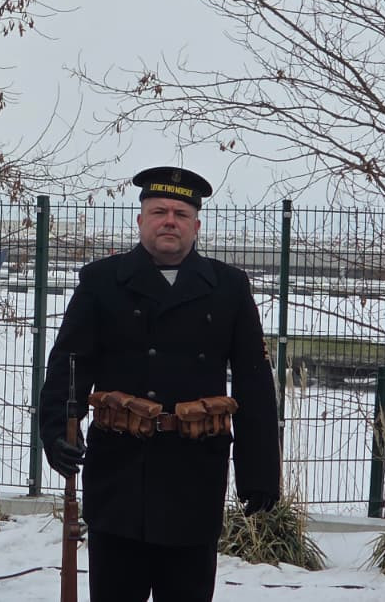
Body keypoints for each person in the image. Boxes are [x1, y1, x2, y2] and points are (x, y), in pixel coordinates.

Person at [38, 166, 281, 602]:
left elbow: (254, 383)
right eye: (159, 212)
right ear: (140, 220)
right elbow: (68, 368)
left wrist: (258, 473)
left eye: (180, 214)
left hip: (194, 479)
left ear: (196, 226)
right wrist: (57, 434)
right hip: (119, 478)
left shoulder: (228, 287)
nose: (170, 221)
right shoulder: (101, 281)